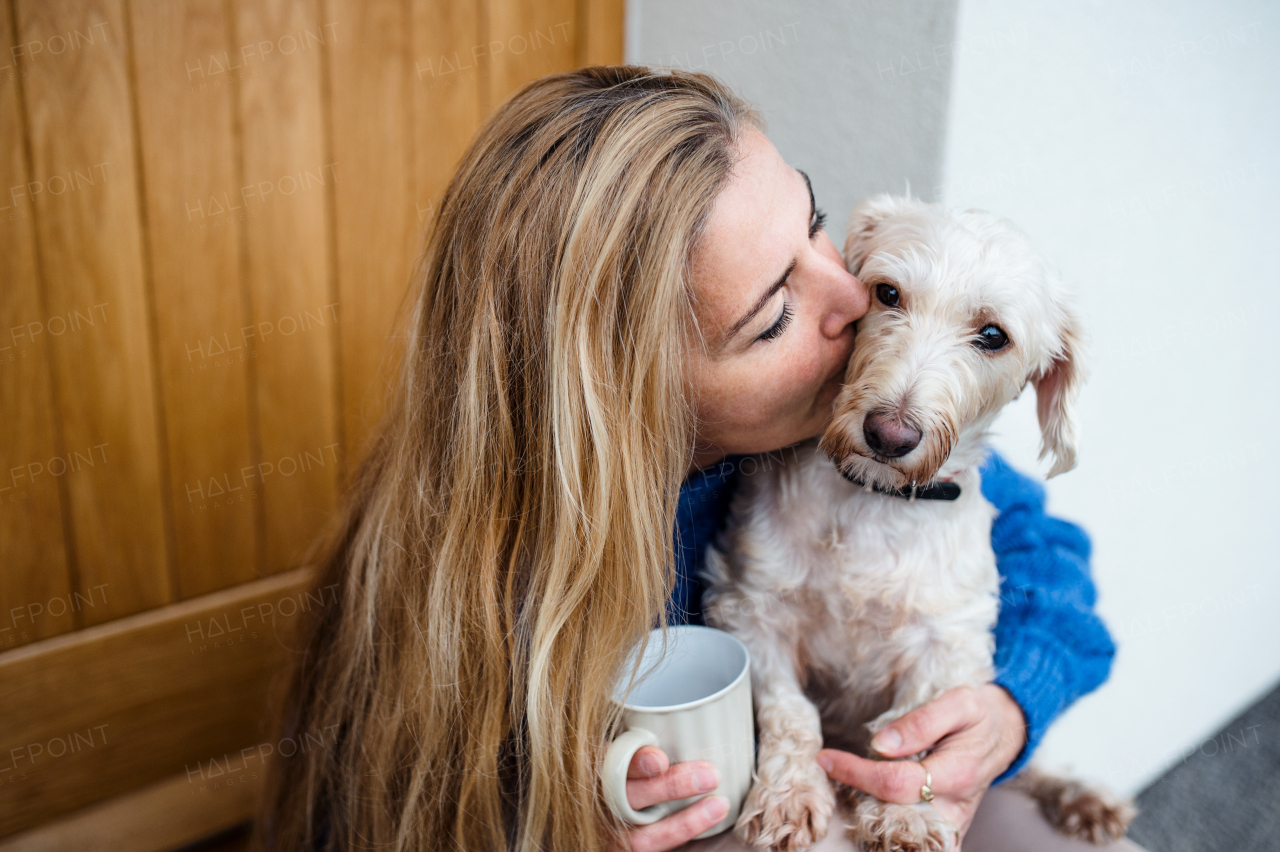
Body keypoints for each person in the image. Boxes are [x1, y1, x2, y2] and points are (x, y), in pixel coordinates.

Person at [257, 66, 1142, 852]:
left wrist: (1010, 708)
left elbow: (1046, 561)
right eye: (772, 316)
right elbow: (437, 792)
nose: (849, 299)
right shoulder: (492, 565)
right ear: (628, 388)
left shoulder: (866, 427)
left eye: (816, 226)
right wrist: (578, 819)